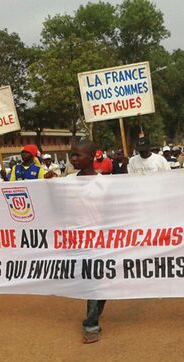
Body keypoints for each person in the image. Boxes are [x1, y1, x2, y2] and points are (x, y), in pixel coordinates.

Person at [66, 140, 105, 343]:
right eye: (72, 155)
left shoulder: (104, 184)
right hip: (76, 240)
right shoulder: (68, 180)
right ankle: (93, 320)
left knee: (96, 281)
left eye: (78, 155)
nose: (73, 159)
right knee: (94, 282)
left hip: (100, 240)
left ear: (91, 157)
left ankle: (91, 322)